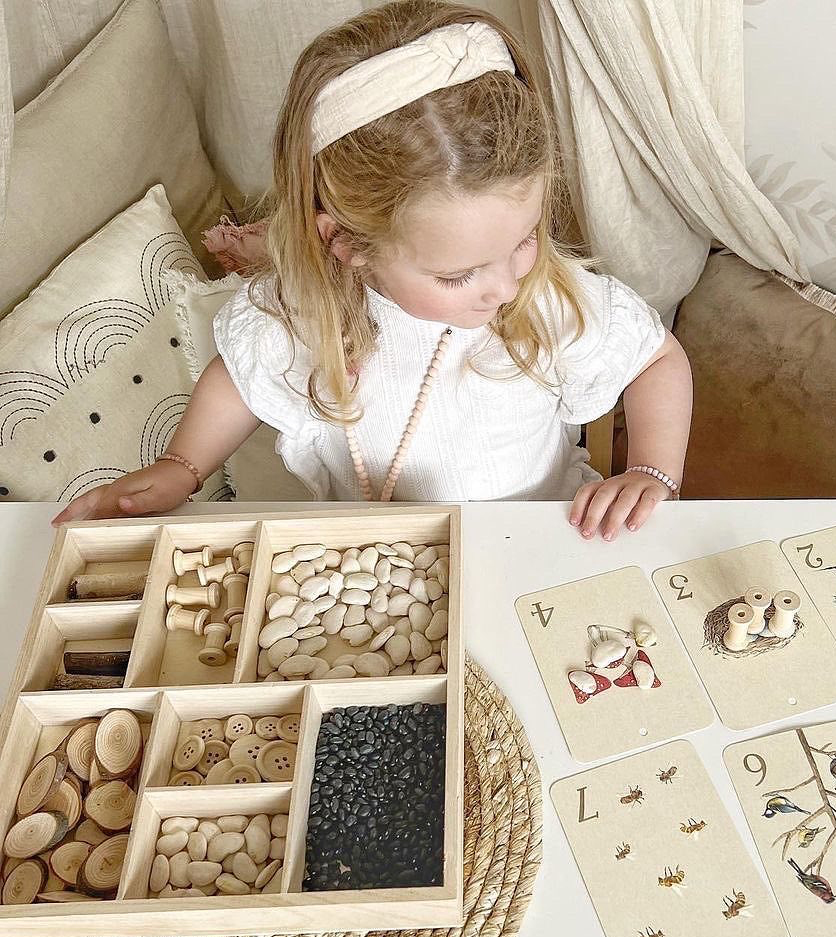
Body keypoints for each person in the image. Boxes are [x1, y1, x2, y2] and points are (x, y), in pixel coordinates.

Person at [54, 0, 692, 541]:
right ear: (348, 245)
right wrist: (183, 464)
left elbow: (657, 360)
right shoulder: (306, 308)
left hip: (532, 544)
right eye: (458, 275)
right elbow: (239, 379)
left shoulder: (547, 302)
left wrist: (652, 470)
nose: (506, 285)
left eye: (526, 239)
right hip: (364, 564)